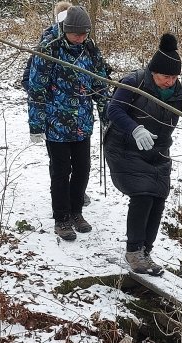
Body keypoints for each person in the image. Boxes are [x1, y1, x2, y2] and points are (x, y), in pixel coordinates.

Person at [104, 33, 182, 275]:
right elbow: (114, 109)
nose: (170, 81)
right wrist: (135, 128)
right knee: (142, 194)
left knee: (158, 198)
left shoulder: (178, 93)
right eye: (165, 76)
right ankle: (133, 251)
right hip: (124, 147)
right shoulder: (135, 82)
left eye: (174, 77)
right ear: (153, 72)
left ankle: (145, 252)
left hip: (158, 152)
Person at [26, 5, 111, 241]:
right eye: (76, 34)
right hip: (56, 123)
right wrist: (36, 124)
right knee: (61, 171)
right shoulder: (49, 49)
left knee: (83, 169)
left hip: (82, 122)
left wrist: (106, 114)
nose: (80, 38)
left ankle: (77, 213)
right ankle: (61, 218)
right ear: (66, 30)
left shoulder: (90, 49)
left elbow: (100, 83)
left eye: (85, 34)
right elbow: (36, 88)